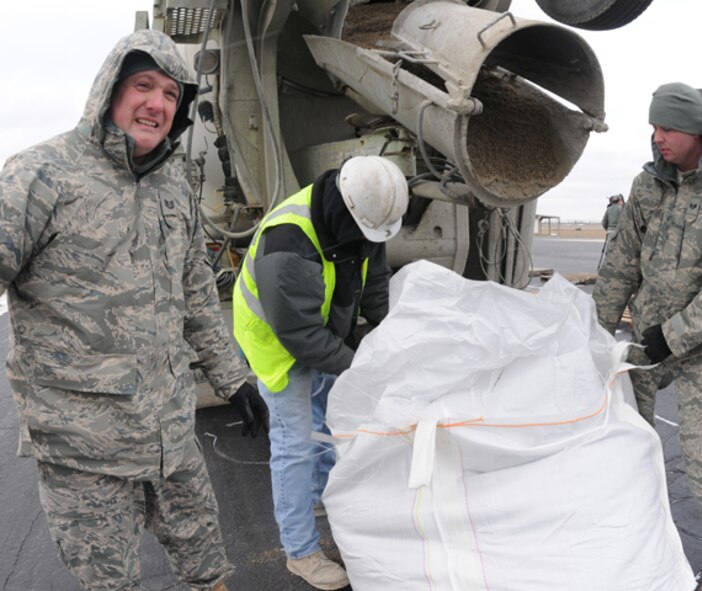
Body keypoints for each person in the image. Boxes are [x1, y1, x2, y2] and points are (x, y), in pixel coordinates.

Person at [0, 30, 266, 591]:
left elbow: (196, 293)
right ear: (109, 90)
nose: (158, 104)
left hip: (171, 431)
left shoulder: (173, 187)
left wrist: (234, 380)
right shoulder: (41, 175)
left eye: (171, 94)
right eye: (144, 85)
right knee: (111, 584)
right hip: (85, 448)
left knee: (208, 566)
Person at [593, 82, 702, 591]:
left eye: (667, 127)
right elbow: (622, 261)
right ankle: (637, 527)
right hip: (650, 333)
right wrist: (594, 335)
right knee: (623, 428)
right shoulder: (648, 185)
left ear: (697, 131)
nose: (657, 137)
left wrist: (678, 333)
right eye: (654, 127)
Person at [233, 155, 409, 590]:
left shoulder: (366, 214)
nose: (371, 242)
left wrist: (396, 341)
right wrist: (364, 366)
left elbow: (375, 284)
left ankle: (318, 499)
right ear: (345, 210)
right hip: (276, 340)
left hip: (321, 326)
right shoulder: (287, 244)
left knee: (329, 422)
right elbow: (302, 339)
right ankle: (300, 551)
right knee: (295, 441)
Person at [598, 193, 625, 268]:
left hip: (610, 233)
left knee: (609, 251)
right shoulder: (621, 209)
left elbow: (603, 222)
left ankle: (607, 267)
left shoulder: (608, 209)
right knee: (619, 251)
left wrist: (608, 229)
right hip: (618, 233)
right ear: (619, 201)